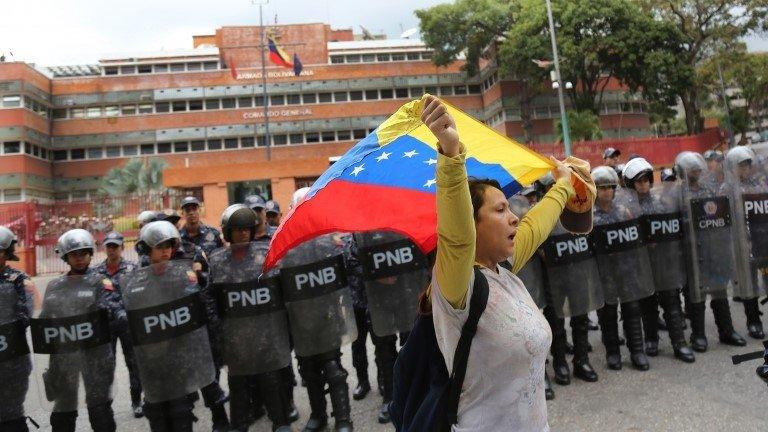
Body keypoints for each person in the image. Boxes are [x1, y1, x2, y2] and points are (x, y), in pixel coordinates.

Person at [422, 95, 574, 430]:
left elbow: (535, 226)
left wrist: (563, 185)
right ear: (471, 223)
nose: (515, 219)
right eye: (500, 210)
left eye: (511, 208)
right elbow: (456, 237)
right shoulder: (457, 286)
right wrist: (451, 154)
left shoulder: (500, 271)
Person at [125, 221, 218, 432]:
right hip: (151, 357)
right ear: (147, 250)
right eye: (160, 246)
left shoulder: (182, 275)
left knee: (180, 410)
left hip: (179, 355)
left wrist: (201, 279)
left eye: (169, 246)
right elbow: (125, 310)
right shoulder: (136, 279)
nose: (166, 251)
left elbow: (199, 301)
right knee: (157, 412)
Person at [209, 205, 292, 432]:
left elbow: (280, 291)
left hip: (265, 333)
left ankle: (281, 423)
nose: (243, 233)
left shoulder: (264, 255)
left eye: (246, 228)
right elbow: (211, 300)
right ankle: (239, 426)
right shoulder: (218, 262)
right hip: (236, 338)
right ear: (228, 232)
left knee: (271, 380)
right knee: (239, 386)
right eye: (237, 229)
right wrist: (218, 333)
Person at [279, 190, 356, 432]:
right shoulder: (285, 244)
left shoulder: (330, 240)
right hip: (301, 319)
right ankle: (318, 415)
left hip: (327, 316)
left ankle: (343, 418)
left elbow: (346, 273)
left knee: (334, 369)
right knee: (309, 371)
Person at [39, 229, 123, 431]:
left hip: (95, 353)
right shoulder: (55, 286)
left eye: (84, 253)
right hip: (64, 355)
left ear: (91, 254)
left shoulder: (100, 281)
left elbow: (112, 308)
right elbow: (45, 318)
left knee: (99, 409)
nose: (80, 258)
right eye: (75, 254)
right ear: (66, 256)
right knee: (63, 411)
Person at [622, 158, 695, 363]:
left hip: (663, 261)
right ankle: (651, 339)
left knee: (671, 300)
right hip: (639, 263)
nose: (644, 184)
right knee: (647, 303)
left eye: (646, 180)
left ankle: (679, 343)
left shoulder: (661, 203)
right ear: (630, 184)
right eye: (638, 181)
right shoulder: (625, 208)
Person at [675, 151, 746, 352]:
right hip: (691, 252)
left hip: (713, 250)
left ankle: (726, 330)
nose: (696, 171)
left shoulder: (710, 190)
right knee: (696, 296)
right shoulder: (678, 194)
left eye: (697, 168)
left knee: (719, 291)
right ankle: (698, 335)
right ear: (683, 171)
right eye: (691, 169)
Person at [591, 166, 654, 371]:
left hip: (627, 270)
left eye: (610, 187)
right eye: (602, 188)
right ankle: (613, 352)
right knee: (608, 313)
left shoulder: (624, 211)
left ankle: (637, 351)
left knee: (632, 310)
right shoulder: (590, 218)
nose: (607, 191)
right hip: (604, 272)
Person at [93, 232, 144, 417]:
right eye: (109, 246)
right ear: (105, 248)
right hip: (106, 326)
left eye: (115, 246)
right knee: (106, 365)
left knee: (134, 363)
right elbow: (96, 298)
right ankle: (105, 403)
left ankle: (137, 401)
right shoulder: (96, 272)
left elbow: (138, 293)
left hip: (128, 324)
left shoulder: (133, 268)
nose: (112, 250)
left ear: (122, 247)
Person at [723, 146, 767, 339]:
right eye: (741, 165)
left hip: (763, 241)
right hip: (743, 243)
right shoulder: (727, 189)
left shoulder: (760, 185)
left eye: (748, 165)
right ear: (732, 167)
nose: (745, 169)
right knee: (750, 285)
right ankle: (753, 321)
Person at [0, 227, 35, 432]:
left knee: (13, 414)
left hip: (13, 358)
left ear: (6, 253)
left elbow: (26, 314)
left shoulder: (20, 280)